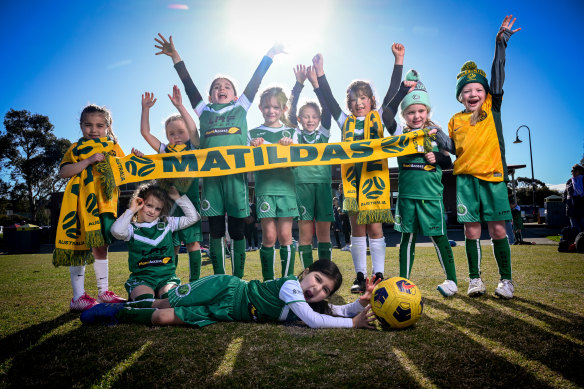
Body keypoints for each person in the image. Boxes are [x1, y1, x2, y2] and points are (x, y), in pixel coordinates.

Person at [154, 33, 284, 279]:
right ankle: (219, 279)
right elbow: (189, 86)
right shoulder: (204, 110)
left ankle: (236, 279)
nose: (221, 88)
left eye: (226, 86)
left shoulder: (240, 106)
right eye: (216, 87)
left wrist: (270, 53)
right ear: (211, 95)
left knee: (236, 229)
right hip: (211, 179)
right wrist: (175, 56)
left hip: (235, 178)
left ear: (235, 95)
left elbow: (256, 79)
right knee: (214, 230)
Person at [434, 15, 521, 299]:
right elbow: (451, 148)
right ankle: (475, 280)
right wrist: (431, 130)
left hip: (493, 178)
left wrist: (501, 44)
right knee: (472, 232)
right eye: (467, 91)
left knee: (497, 229)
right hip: (466, 181)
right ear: (460, 96)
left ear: (486, 94)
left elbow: (497, 75)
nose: (473, 94)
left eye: (478, 90)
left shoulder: (492, 109)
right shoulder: (455, 120)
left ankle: (505, 281)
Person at [313, 44, 406, 293]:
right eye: (354, 99)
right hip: (353, 184)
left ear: (371, 100)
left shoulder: (380, 117)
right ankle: (361, 276)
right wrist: (320, 74)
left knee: (375, 228)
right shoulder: (345, 121)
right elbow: (330, 101)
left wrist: (399, 60)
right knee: (357, 229)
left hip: (375, 182)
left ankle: (378, 274)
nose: (359, 103)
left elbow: (393, 92)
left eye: (363, 98)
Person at [80, 260, 378, 329]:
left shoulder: (309, 302)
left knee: (161, 317)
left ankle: (118, 313)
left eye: (324, 289)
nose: (316, 289)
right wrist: (353, 324)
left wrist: (358, 304)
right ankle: (121, 305)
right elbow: (314, 321)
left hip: (224, 312)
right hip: (226, 288)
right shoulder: (291, 287)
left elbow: (330, 312)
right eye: (316, 279)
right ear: (304, 273)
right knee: (162, 301)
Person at [53, 104, 139, 311]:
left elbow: (125, 170)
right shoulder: (76, 148)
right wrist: (89, 160)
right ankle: (78, 297)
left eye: (99, 125)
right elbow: (63, 172)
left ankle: (104, 292)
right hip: (81, 205)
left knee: (102, 246)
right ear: (81, 126)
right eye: (88, 125)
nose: (93, 130)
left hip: (106, 204)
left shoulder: (112, 147)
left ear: (108, 127)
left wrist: (136, 158)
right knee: (80, 246)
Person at [381, 69, 458, 297]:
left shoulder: (436, 134)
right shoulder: (399, 135)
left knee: (439, 238)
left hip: (432, 197)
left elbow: (450, 160)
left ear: (427, 111)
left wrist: (440, 158)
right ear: (404, 115)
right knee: (408, 239)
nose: (416, 116)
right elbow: (386, 114)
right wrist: (404, 90)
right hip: (407, 198)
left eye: (421, 111)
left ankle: (451, 281)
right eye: (411, 112)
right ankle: (404, 284)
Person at [140, 86, 203, 281]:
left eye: (180, 132)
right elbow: (145, 133)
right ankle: (170, 280)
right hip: (167, 203)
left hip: (190, 201)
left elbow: (193, 129)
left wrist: (180, 106)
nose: (176, 136)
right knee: (171, 244)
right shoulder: (165, 150)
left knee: (193, 243)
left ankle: (194, 282)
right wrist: (145, 109)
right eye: (171, 133)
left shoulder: (193, 147)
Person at [110, 182, 200, 301]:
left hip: (166, 279)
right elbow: (115, 231)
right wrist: (132, 209)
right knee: (145, 299)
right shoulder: (131, 229)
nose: (152, 211)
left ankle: (160, 303)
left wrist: (178, 198)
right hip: (142, 279)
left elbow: (194, 217)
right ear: (139, 202)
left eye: (157, 209)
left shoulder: (168, 224)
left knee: (172, 298)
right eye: (149, 205)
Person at [249, 87, 299, 280]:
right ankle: (268, 281)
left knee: (286, 236)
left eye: (276, 107)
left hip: (286, 189)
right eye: (267, 107)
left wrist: (290, 146)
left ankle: (287, 280)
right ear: (261, 108)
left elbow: (297, 161)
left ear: (284, 109)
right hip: (265, 188)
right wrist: (253, 147)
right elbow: (247, 162)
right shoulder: (253, 134)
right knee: (269, 236)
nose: (271, 111)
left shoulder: (292, 133)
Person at [288, 65, 333, 266]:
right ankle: (308, 273)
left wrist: (316, 84)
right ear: (299, 119)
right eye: (306, 116)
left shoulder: (323, 133)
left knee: (324, 234)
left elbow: (327, 108)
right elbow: (289, 113)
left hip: (322, 185)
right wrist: (298, 84)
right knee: (305, 234)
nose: (310, 120)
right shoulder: (295, 134)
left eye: (314, 116)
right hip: (302, 185)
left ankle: (325, 273)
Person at [563, 164, 584, 233]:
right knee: (574, 227)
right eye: (572, 171)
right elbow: (565, 193)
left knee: (582, 225)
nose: (573, 172)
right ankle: (576, 242)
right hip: (571, 207)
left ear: (580, 171)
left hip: (582, 206)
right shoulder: (569, 181)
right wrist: (566, 201)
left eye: (575, 171)